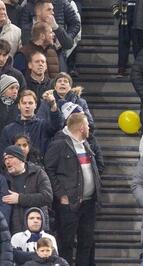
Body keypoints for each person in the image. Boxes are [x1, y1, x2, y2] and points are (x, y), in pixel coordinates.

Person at [44, 112, 101, 266]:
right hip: (68, 205)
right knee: (66, 243)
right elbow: (48, 169)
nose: (89, 128)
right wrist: (60, 194)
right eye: (87, 125)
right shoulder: (59, 144)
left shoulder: (85, 143)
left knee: (86, 242)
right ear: (82, 127)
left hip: (89, 203)